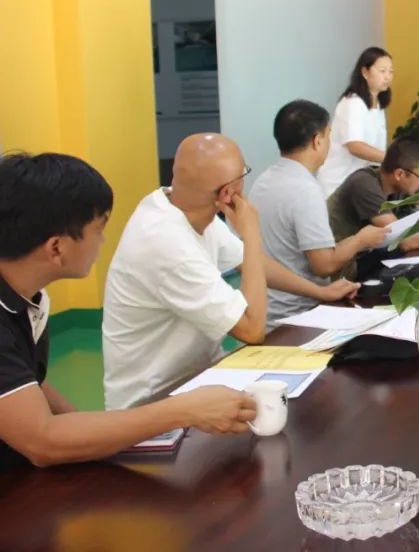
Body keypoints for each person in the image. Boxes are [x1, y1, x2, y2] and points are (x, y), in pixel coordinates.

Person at [0, 153, 255, 471]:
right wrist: (183, 410)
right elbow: (43, 441)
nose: (103, 240)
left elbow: (26, 381)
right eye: (98, 230)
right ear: (56, 247)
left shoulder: (27, 295)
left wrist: (84, 428)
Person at [103, 134, 357, 410]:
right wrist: (251, 232)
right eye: (244, 174)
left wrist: (319, 291)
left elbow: (250, 262)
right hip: (153, 405)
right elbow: (252, 329)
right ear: (227, 194)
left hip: (198, 379)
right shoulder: (166, 242)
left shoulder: (182, 206)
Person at [249, 101, 389, 325]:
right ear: (317, 141)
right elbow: (324, 265)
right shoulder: (305, 189)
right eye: (328, 136)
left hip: (266, 312)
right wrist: (361, 240)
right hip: (301, 314)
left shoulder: (262, 181)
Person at [327, 136, 419, 281]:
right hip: (341, 268)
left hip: (364, 256)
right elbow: (404, 240)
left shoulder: (397, 184)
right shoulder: (364, 184)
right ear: (400, 174)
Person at [317, 47, 394, 198]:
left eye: (391, 71)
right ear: (365, 72)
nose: (388, 76)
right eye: (382, 71)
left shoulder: (378, 105)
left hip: (358, 183)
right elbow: (355, 146)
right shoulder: (353, 102)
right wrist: (392, 159)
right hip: (337, 183)